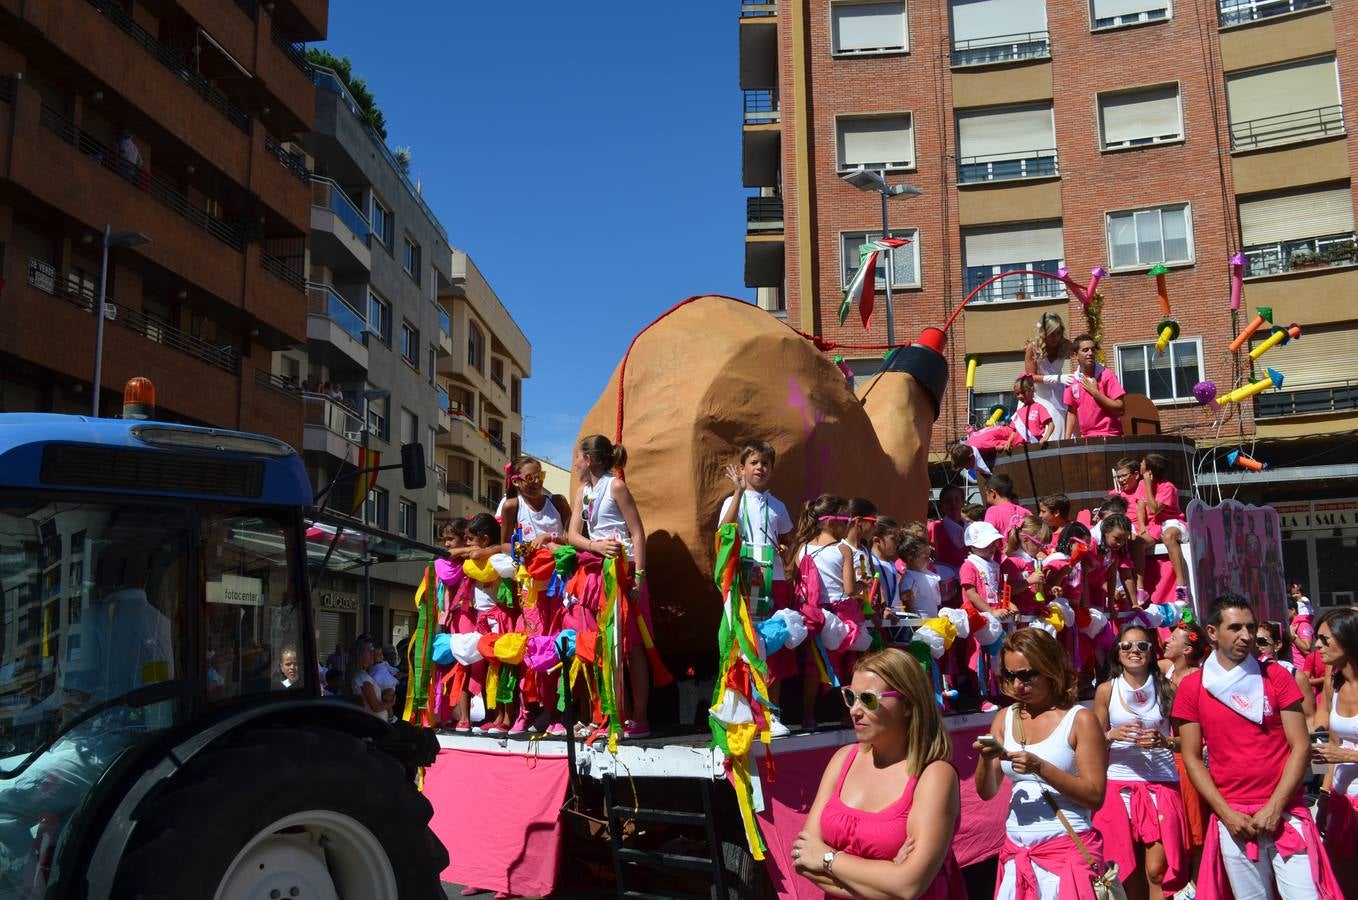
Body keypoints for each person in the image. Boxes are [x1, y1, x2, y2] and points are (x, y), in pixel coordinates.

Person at [1172, 593, 1341, 899]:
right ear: (1212, 632)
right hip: (1234, 821)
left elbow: (1300, 746)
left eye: (1250, 628)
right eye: (1235, 628)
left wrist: (1275, 806)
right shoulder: (1192, 688)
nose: (1246, 636)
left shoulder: (1276, 676)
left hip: (1286, 814)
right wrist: (1226, 813)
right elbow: (1192, 758)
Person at [792, 649, 965, 899]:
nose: (855, 710)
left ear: (907, 704)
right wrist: (888, 875)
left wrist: (828, 858)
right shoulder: (843, 759)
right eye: (851, 697)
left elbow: (909, 886)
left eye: (869, 699)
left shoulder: (934, 775)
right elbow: (803, 859)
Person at [974, 629, 1108, 900]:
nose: (1018, 685)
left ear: (1050, 670)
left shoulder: (1079, 720)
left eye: (1026, 675)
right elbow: (987, 791)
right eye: (1010, 676)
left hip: (1065, 853)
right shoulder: (1005, 718)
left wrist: (1041, 768)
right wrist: (986, 761)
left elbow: (1094, 796)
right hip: (1017, 853)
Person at [565, 434, 653, 740]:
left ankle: (638, 718)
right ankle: (610, 715)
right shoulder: (582, 492)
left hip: (622, 569)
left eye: (577, 457)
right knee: (601, 645)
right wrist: (595, 545)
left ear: (588, 460)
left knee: (631, 646)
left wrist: (639, 576)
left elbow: (638, 532)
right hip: (596, 569)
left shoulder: (615, 485)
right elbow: (572, 535)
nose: (574, 463)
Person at [1093, 625, 1189, 900]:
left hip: (1161, 783)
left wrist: (1165, 741)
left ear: (1151, 652)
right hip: (1118, 784)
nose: (1134, 651)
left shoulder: (1169, 688)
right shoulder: (1106, 691)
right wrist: (1110, 735)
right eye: (1126, 646)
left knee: (1158, 868)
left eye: (1142, 646)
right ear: (1117, 652)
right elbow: (1093, 742)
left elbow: (1188, 741)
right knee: (1124, 871)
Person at [719, 440, 795, 735]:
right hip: (744, 579)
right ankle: (744, 710)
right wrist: (737, 492)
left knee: (773, 645)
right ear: (743, 468)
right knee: (745, 645)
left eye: (765, 463)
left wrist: (786, 549)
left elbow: (786, 537)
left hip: (771, 579)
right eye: (754, 463)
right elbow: (724, 531)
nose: (760, 468)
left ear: (771, 470)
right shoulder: (732, 500)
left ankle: (770, 713)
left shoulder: (778, 506)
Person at [792, 494, 855, 731]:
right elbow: (848, 589)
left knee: (813, 666)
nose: (848, 526)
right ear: (832, 522)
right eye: (846, 521)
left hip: (813, 615)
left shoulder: (803, 548)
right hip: (840, 615)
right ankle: (847, 714)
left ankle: (808, 716)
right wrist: (861, 587)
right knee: (848, 664)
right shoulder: (843, 549)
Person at [1312, 608, 1358, 897]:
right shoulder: (1333, 682)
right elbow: (1330, 745)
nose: (1318, 646)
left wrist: (1350, 756)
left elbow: (1340, 753)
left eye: (1325, 640)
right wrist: (1324, 797)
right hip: (1341, 800)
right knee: (1341, 886)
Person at [1130, 453, 1190, 605]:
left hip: (1173, 522)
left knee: (1168, 537)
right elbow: (1141, 507)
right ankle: (1140, 588)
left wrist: (1149, 485)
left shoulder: (1168, 487)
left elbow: (1153, 509)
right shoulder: (1142, 484)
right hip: (1154, 525)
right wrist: (1142, 527)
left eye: (1142, 463)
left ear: (1149, 470)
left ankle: (1182, 587)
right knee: (1138, 542)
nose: (1140, 465)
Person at [1024, 312, 1075, 441]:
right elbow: (1030, 377)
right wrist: (1056, 378)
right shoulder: (1033, 347)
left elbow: (1083, 353)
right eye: (1052, 333)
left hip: (1059, 394)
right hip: (1041, 397)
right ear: (1043, 332)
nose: (1055, 337)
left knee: (1066, 430)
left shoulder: (1066, 345)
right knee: (1048, 430)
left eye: (1058, 333)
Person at [1063, 334, 1125, 440]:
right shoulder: (1072, 381)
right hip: (1086, 439)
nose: (1090, 353)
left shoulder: (1107, 375)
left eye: (1092, 349)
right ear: (1075, 355)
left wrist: (1095, 393)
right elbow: (1071, 412)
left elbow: (1120, 408)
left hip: (1111, 436)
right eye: (1085, 350)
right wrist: (1066, 439)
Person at [1257, 621, 1317, 730]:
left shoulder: (1296, 676)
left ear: (1277, 645)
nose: (1257, 646)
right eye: (1253, 642)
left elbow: (1310, 718)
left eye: (1261, 641)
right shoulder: (1246, 674)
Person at [348, 636, 393, 720]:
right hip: (376, 724)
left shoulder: (365, 675)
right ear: (360, 654)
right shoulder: (362, 678)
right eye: (370, 651)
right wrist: (391, 703)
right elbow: (376, 707)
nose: (373, 654)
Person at [1012, 373, 1054, 448]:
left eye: (1023, 392)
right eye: (1017, 394)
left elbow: (1051, 424)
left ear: (1032, 390)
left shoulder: (1039, 407)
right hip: (1019, 449)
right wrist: (1008, 442)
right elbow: (1014, 431)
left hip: (1035, 446)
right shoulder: (1018, 412)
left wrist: (1045, 438)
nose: (1020, 396)